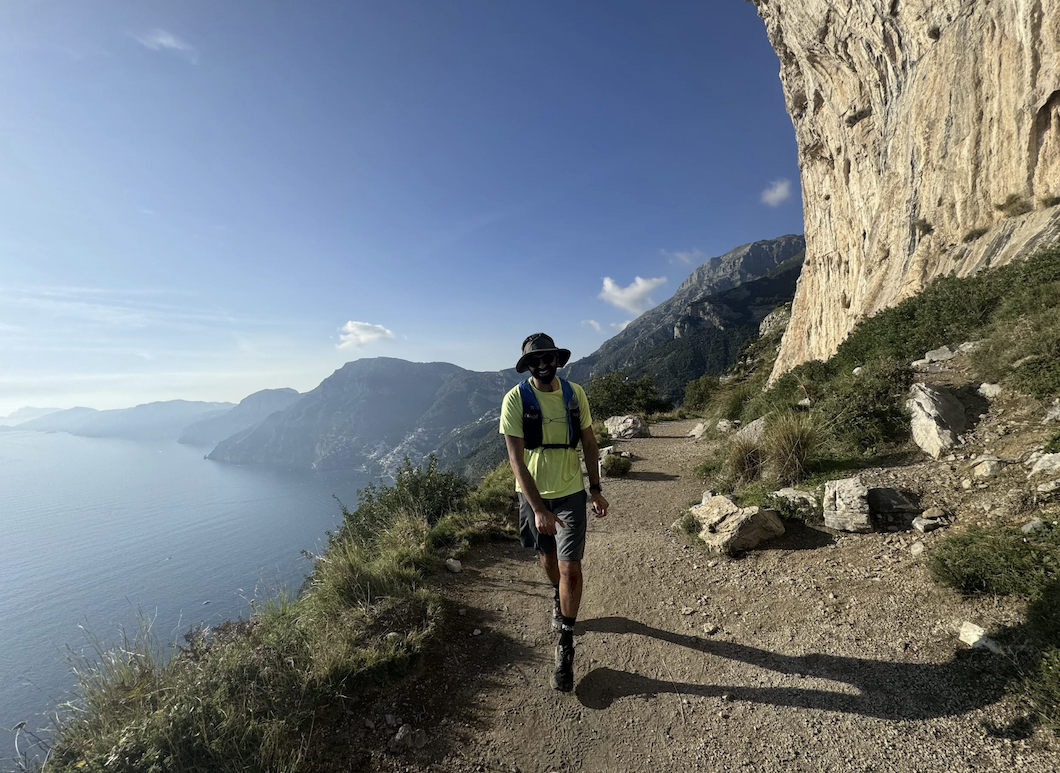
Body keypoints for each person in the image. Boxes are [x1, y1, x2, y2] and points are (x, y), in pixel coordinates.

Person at [500, 332, 609, 692]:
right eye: (535, 360)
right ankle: (557, 597)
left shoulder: (574, 395)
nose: (543, 365)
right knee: (549, 563)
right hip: (533, 496)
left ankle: (566, 640)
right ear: (528, 366)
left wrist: (595, 490)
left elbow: (590, 443)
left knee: (570, 570)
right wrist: (537, 509)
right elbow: (516, 461)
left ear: (557, 360)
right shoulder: (515, 400)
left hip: (570, 492)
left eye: (547, 358)